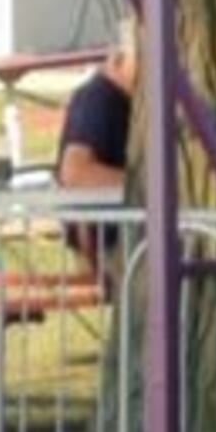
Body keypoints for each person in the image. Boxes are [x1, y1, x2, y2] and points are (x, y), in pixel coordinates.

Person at [56, 16, 136, 273]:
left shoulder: (125, 101)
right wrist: (153, 188)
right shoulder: (98, 101)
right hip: (111, 245)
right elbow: (76, 173)